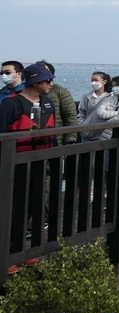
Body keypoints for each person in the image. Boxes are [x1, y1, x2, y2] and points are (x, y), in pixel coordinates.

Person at [0, 63, 56, 251]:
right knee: (13, 207)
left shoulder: (48, 103)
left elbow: (53, 134)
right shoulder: (11, 104)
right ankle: (6, 252)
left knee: (33, 206)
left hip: (40, 161)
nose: (51, 84)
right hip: (16, 164)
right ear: (35, 82)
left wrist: (56, 157)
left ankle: (19, 249)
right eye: (47, 80)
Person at [40, 61, 78, 145]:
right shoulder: (28, 93)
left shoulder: (61, 92)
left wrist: (70, 141)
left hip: (56, 140)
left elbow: (70, 117)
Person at [77, 71, 114, 141]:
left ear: (104, 82)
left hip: (103, 135)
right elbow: (81, 113)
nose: (93, 82)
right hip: (86, 134)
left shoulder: (111, 97)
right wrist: (82, 126)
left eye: (96, 80)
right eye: (92, 80)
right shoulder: (87, 97)